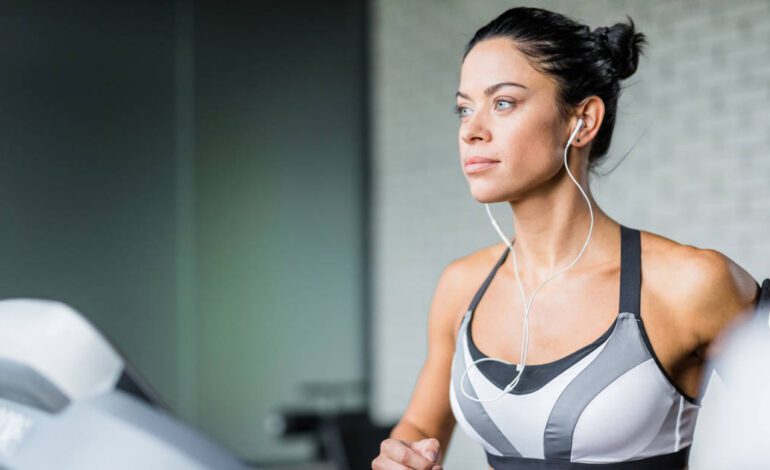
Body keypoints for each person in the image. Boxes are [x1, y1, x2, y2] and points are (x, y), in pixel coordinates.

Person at [371, 6, 761, 470]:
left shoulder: (690, 283)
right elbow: (418, 430)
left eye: (503, 103)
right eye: (463, 108)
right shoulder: (461, 286)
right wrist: (401, 455)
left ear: (583, 121)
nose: (471, 131)